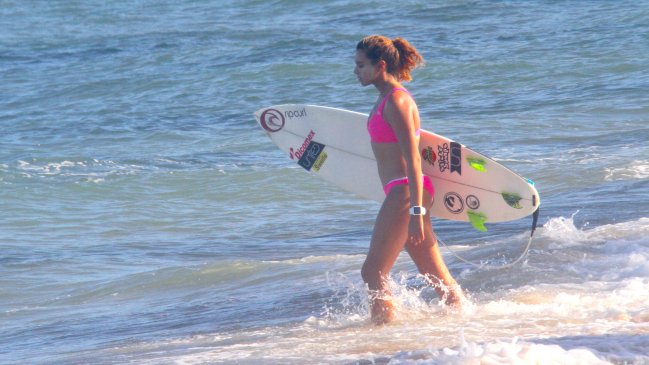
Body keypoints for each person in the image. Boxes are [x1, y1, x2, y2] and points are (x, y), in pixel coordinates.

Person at [354, 35, 463, 325]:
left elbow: (414, 158)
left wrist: (415, 211)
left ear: (380, 66)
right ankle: (464, 319)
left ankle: (383, 337)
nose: (355, 71)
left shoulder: (398, 101)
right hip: (402, 191)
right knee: (435, 275)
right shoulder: (383, 100)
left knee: (373, 272)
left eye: (361, 65)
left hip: (406, 192)